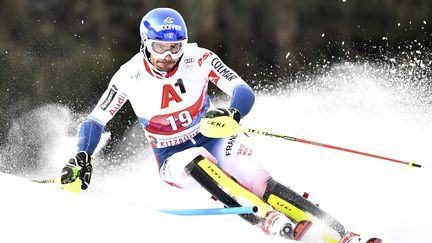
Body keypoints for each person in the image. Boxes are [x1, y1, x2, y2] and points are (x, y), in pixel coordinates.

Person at [59, 7, 366, 242]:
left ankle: (342, 234)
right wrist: (82, 155)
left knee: (258, 181)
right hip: (172, 158)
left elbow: (242, 90)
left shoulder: (198, 58)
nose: (167, 57)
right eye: (159, 48)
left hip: (212, 136)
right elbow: (96, 120)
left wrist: (233, 115)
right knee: (197, 161)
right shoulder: (129, 75)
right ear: (144, 45)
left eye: (175, 47)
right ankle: (266, 218)